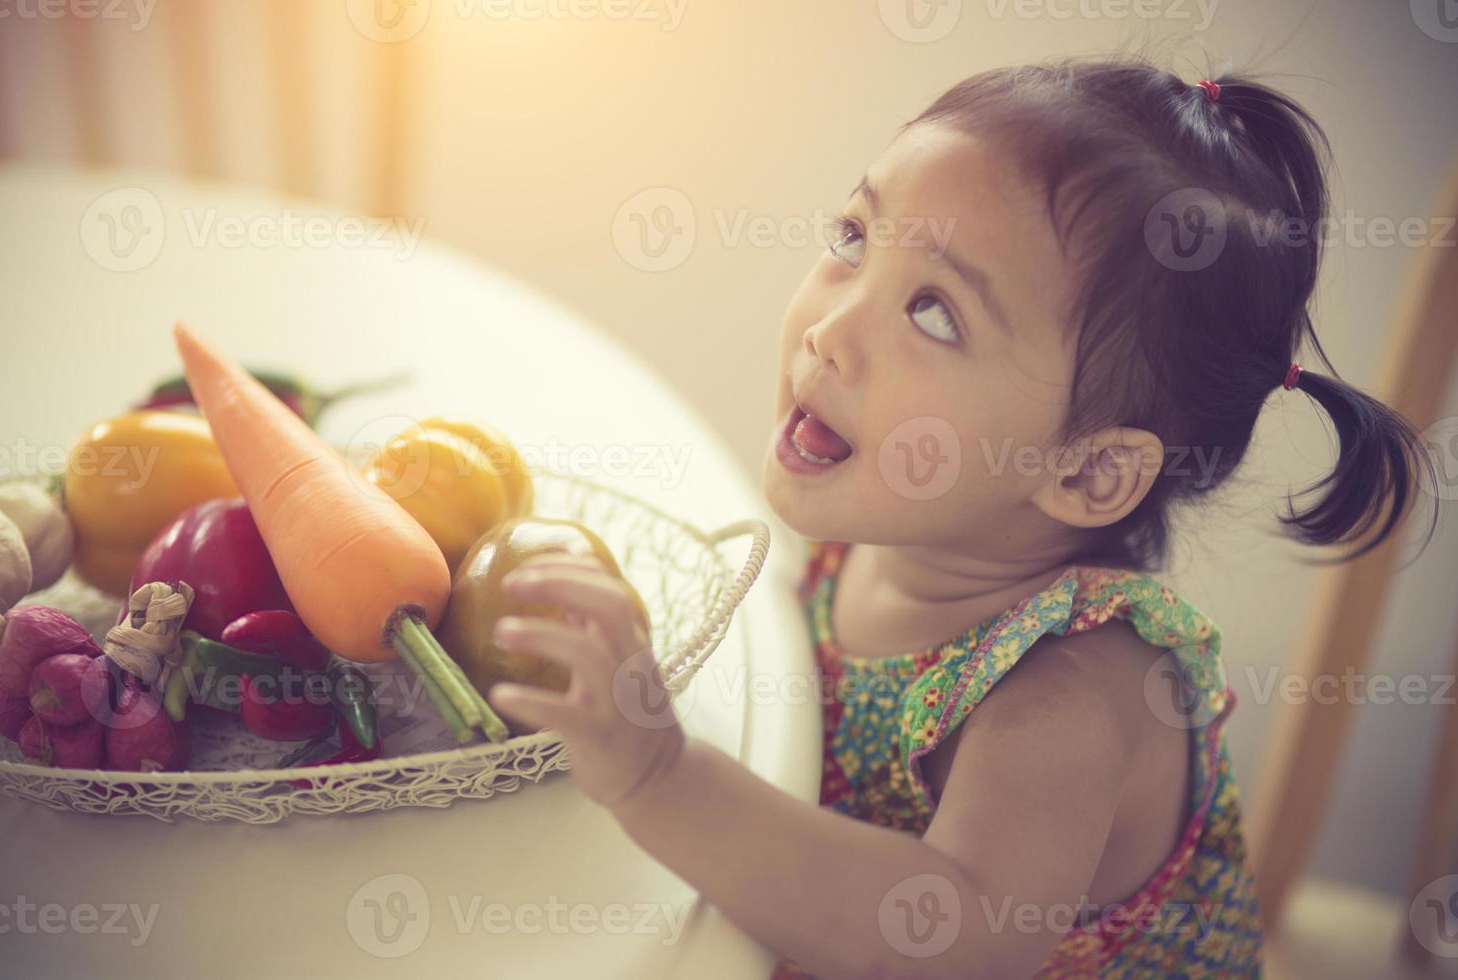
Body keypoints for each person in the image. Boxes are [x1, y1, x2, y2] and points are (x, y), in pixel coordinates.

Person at [485, 55, 1438, 978]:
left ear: (1093, 468)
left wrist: (659, 775)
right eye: (854, 239)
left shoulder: (1074, 698)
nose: (831, 328)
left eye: (934, 314)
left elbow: (945, 938)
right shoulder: (900, 532)